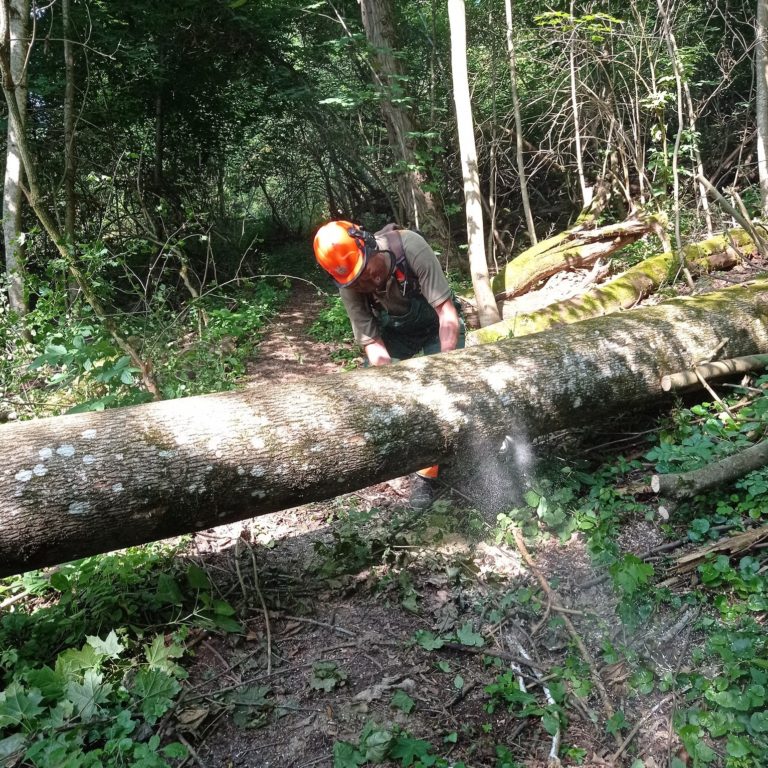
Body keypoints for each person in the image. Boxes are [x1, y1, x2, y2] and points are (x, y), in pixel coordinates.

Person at [313, 219, 465, 509]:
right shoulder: (350, 286)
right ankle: (406, 450)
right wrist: (395, 384)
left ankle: (432, 468)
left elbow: (446, 313)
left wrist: (444, 368)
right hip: (397, 331)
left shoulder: (410, 247)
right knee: (377, 387)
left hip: (437, 324)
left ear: (369, 246)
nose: (367, 283)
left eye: (366, 273)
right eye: (357, 282)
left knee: (442, 391)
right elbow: (372, 343)